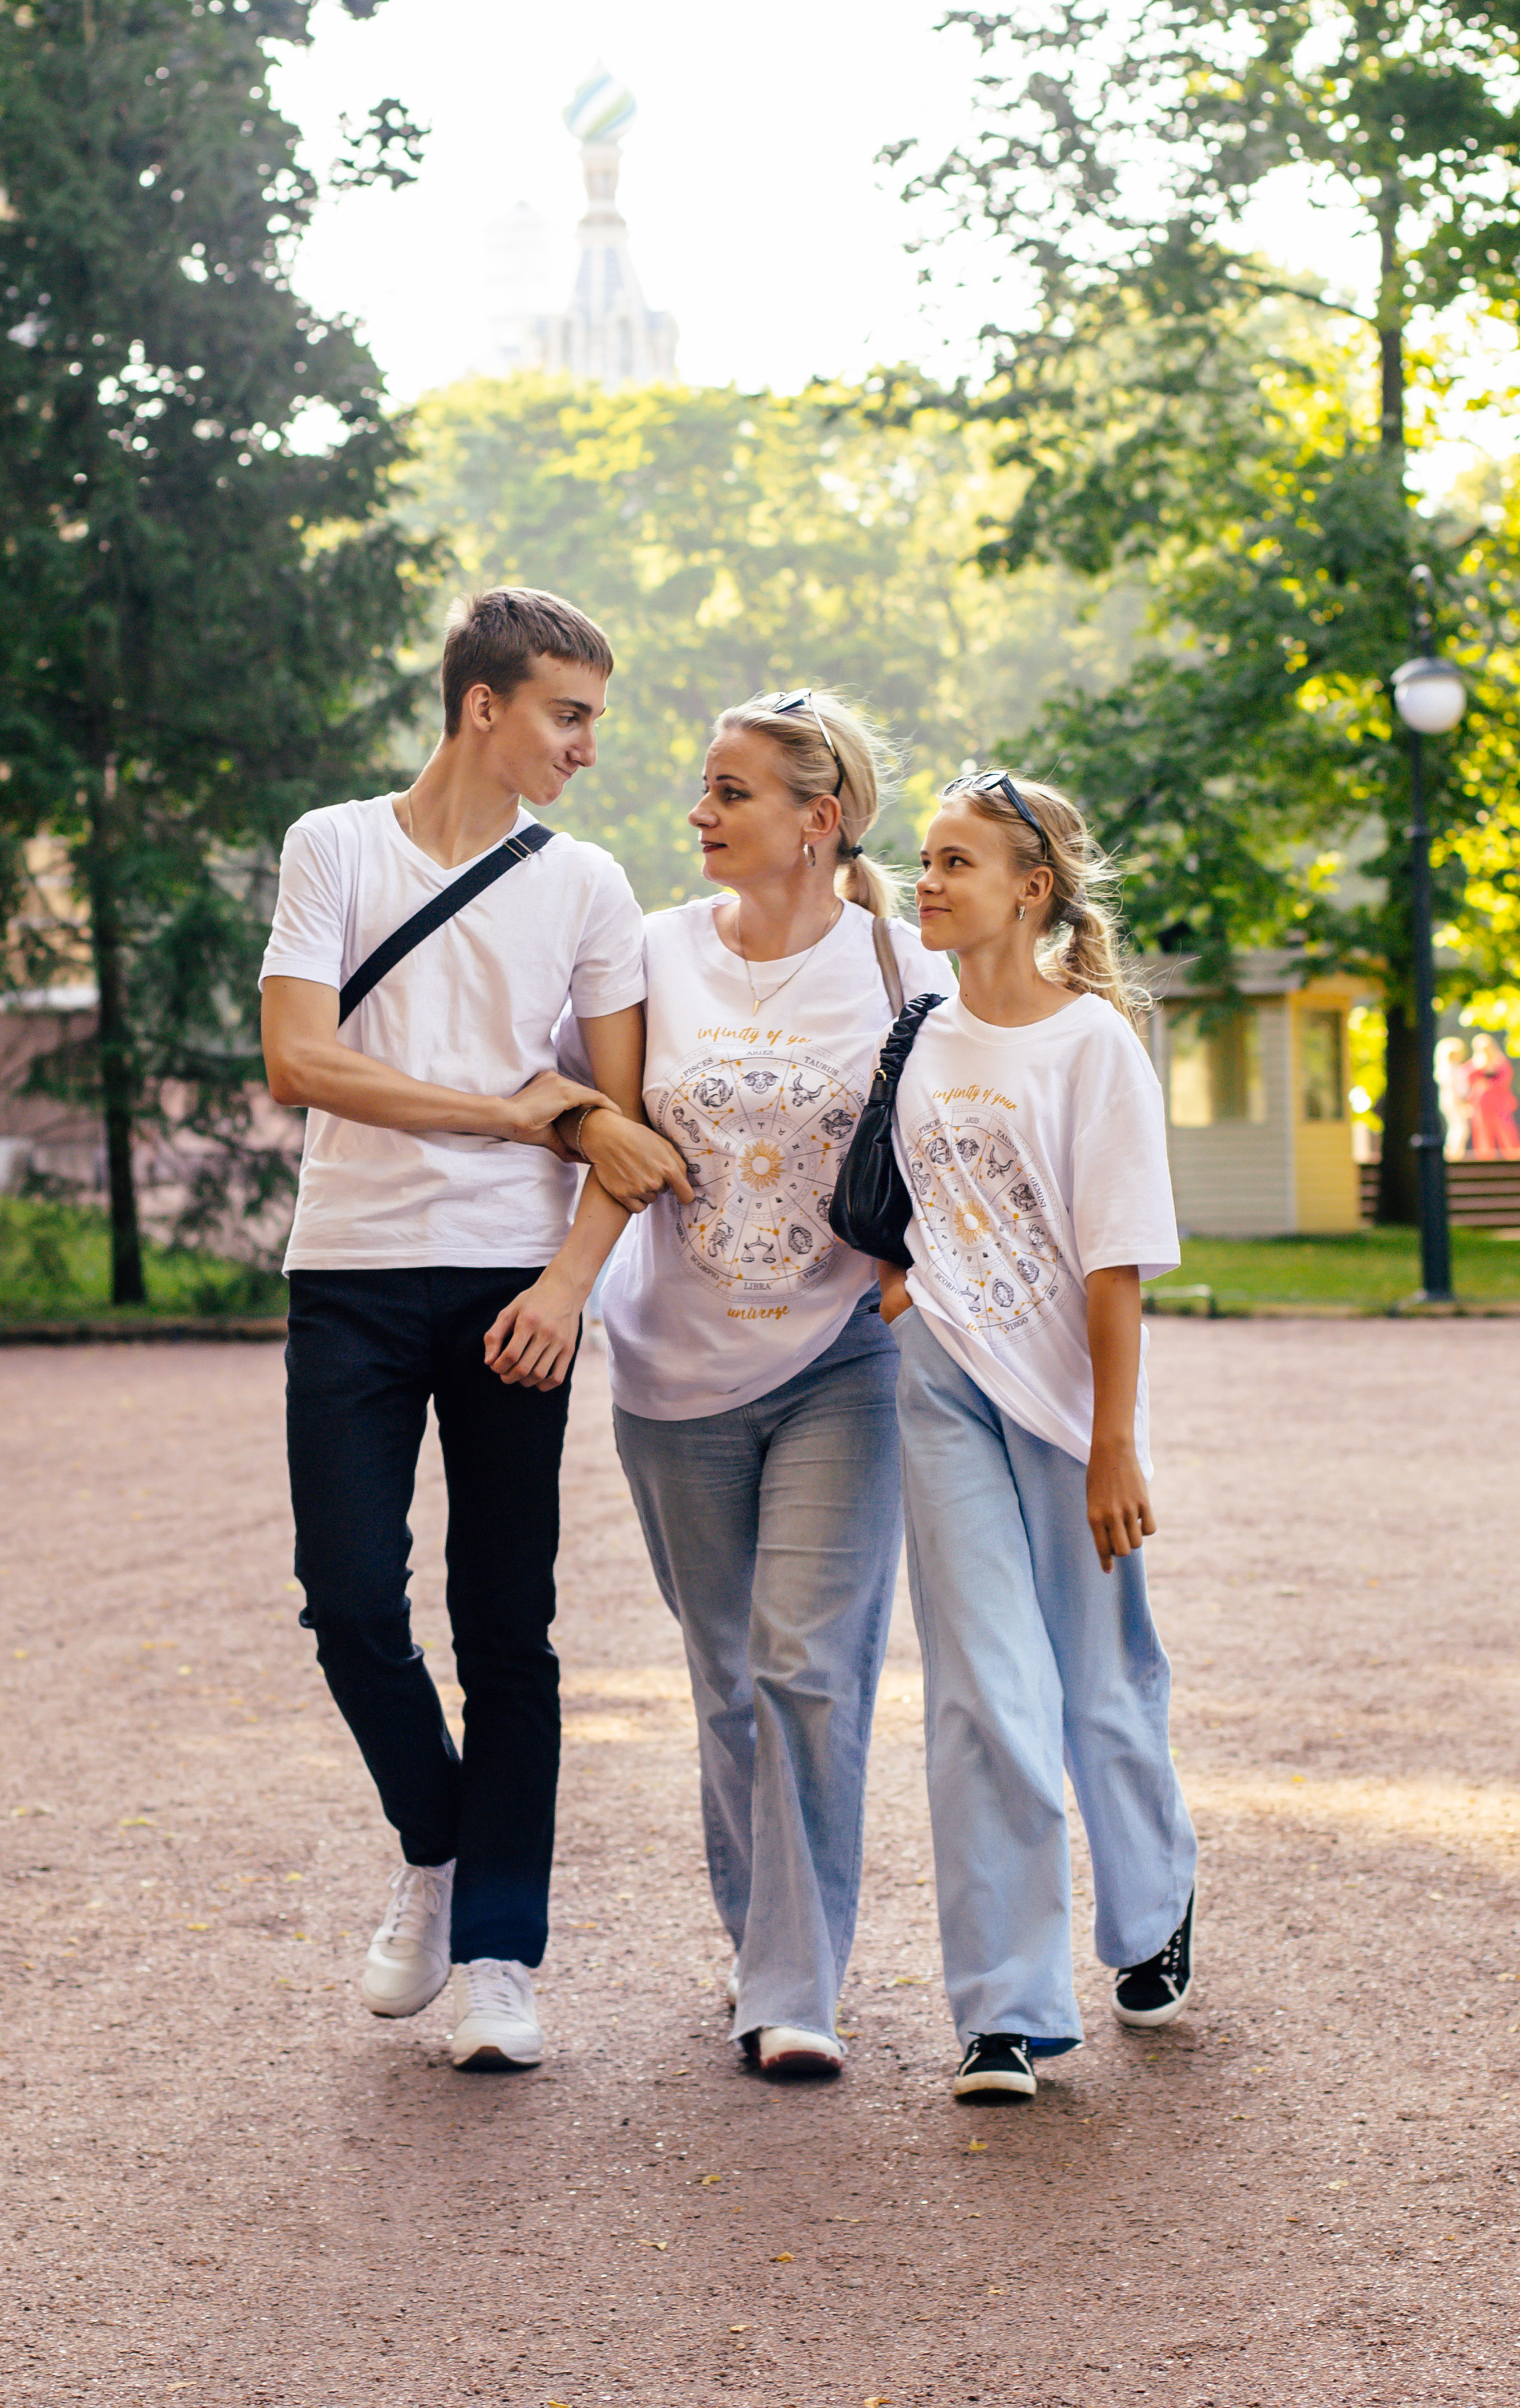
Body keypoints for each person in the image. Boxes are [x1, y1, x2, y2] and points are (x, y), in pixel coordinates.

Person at [259, 587, 687, 2073]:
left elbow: (617, 1127)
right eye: (565, 714)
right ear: (481, 705)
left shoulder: (587, 886)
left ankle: (501, 1951)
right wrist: (505, 1108)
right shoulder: (334, 845)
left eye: (593, 720)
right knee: (348, 1602)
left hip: (515, 1281)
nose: (585, 747)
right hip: (355, 1269)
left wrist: (566, 1286)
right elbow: (301, 1059)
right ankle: (437, 1850)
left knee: (508, 1628)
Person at [595, 690, 937, 2077]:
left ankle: (792, 1987)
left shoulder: (906, 964)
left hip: (840, 1361)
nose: (698, 812)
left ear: (822, 818)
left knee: (807, 1667)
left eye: (730, 792)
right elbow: (590, 1123)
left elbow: (968, 1140)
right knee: (726, 1673)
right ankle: (758, 1934)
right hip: (668, 1370)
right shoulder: (647, 954)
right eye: (702, 787)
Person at [877, 771, 1197, 2104]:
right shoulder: (923, 1031)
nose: (928, 882)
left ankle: (1148, 1907)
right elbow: (898, 1188)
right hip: (939, 1383)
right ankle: (1002, 2010)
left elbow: (1112, 1264)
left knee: (1096, 1679)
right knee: (981, 1693)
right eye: (925, 859)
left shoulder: (1088, 1047)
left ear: (1032, 889)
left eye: (956, 862)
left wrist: (1113, 1442)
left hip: (1066, 1410)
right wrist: (904, 1291)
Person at [1467, 1032, 1520, 1159]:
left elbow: (1505, 1081)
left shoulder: (1501, 1062)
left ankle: (1513, 1156)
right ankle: (1485, 1159)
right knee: (1482, 1131)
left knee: (1506, 1128)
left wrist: (1488, 1083)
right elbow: (1469, 1079)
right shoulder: (1474, 1064)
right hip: (1481, 1104)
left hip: (1499, 1103)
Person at [1436, 1037, 1473, 1162]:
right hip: (1455, 1099)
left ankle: (1454, 1153)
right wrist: (1463, 1101)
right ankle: (1453, 1153)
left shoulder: (1444, 1069)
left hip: (1448, 1099)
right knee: (1460, 1127)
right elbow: (1458, 1088)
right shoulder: (1452, 1069)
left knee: (1456, 1126)